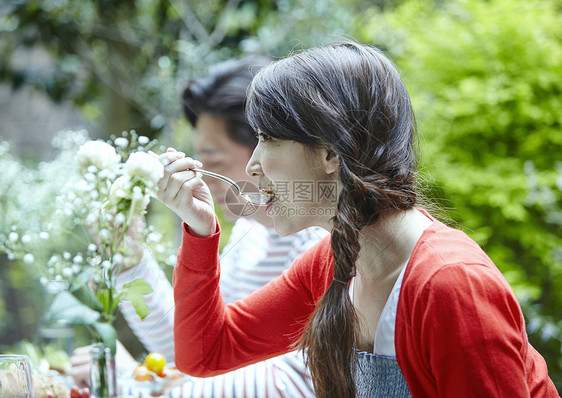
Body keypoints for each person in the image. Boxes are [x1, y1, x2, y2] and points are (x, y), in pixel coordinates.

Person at [155, 41, 559, 397]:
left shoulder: (451, 284)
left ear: (331, 152)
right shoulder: (334, 263)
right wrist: (200, 230)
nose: (254, 165)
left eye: (269, 139)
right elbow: (205, 353)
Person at [71, 56, 327, 397]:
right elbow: (202, 347)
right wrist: (131, 260)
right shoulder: (249, 237)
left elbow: (298, 384)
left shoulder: (319, 241)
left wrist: (135, 384)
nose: (203, 175)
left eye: (215, 160)